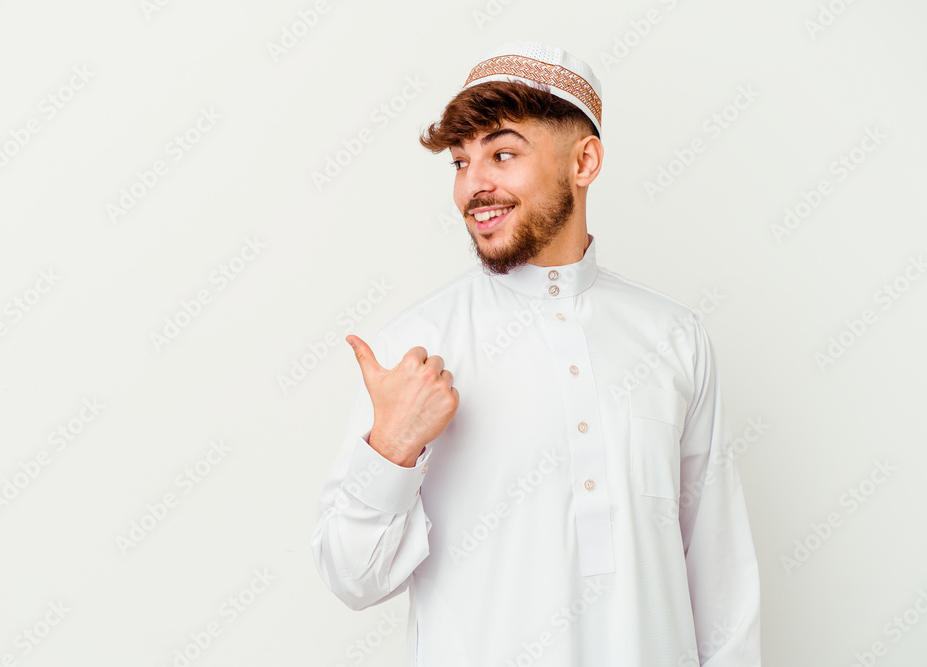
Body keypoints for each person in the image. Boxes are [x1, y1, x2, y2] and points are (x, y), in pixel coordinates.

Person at [311, 40, 761, 666]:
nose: (474, 186)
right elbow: (352, 579)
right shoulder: (415, 350)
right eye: (461, 162)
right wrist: (391, 449)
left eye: (502, 154)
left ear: (584, 161)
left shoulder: (674, 337)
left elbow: (720, 576)